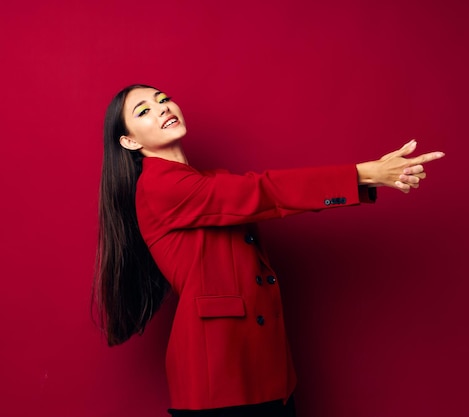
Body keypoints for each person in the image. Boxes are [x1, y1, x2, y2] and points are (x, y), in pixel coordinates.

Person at [93, 84, 445, 416]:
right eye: (144, 111)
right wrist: (362, 173)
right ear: (128, 141)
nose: (162, 108)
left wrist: (368, 179)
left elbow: (257, 199)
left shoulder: (209, 179)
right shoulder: (159, 186)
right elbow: (264, 192)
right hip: (218, 374)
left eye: (163, 98)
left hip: (267, 367)